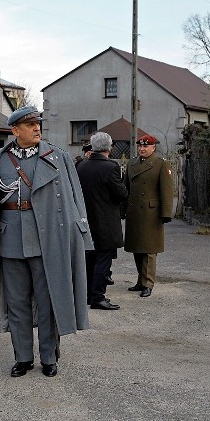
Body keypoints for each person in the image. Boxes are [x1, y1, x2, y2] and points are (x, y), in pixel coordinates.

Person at [0, 106, 93, 378]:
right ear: (15, 131)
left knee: (47, 301)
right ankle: (23, 358)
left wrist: (80, 234)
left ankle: (49, 357)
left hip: (46, 240)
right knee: (17, 304)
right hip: (11, 240)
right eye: (30, 125)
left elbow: (75, 198)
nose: (37, 128)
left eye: (37, 124)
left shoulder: (58, 157)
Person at [76, 132, 128, 311]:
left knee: (89, 260)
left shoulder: (81, 166)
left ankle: (87, 295)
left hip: (86, 221)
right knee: (103, 260)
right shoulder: (111, 167)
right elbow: (121, 194)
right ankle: (98, 296)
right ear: (109, 147)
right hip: (105, 222)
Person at [124, 134, 174, 298]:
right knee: (137, 248)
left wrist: (166, 213)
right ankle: (140, 280)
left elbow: (166, 191)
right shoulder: (131, 164)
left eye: (146, 146)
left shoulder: (160, 164)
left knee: (150, 250)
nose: (142, 149)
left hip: (151, 213)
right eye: (140, 146)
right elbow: (126, 189)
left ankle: (148, 283)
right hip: (134, 212)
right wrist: (122, 209)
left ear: (153, 148)